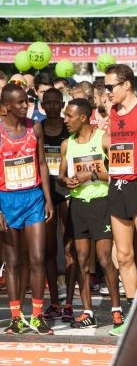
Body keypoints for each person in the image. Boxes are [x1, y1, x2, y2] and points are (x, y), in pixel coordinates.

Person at [0, 83, 55, 335]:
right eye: (20, 102)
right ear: (7, 106)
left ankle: (37, 315)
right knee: (12, 262)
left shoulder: (35, 127)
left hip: (33, 198)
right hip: (7, 201)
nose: (25, 105)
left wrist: (48, 198)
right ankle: (16, 317)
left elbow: (42, 163)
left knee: (37, 258)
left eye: (27, 101)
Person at [58, 98, 124, 333]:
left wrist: (91, 175)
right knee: (82, 260)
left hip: (101, 203)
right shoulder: (67, 144)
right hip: (78, 205)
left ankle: (117, 312)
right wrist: (66, 180)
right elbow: (60, 176)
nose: (65, 120)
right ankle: (88, 313)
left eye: (69, 116)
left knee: (104, 259)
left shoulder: (104, 139)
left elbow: (118, 171)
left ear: (83, 117)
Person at [105, 63, 137, 331]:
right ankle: (132, 314)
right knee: (124, 255)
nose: (107, 91)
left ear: (127, 84)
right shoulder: (112, 112)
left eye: (110, 86)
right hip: (117, 185)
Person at [39, 87, 73, 322]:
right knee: (49, 249)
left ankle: (68, 303)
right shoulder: (38, 128)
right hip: (45, 192)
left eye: (56, 102)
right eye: (48, 103)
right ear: (42, 106)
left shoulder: (69, 129)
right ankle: (53, 302)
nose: (52, 106)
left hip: (66, 190)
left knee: (70, 247)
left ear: (62, 104)